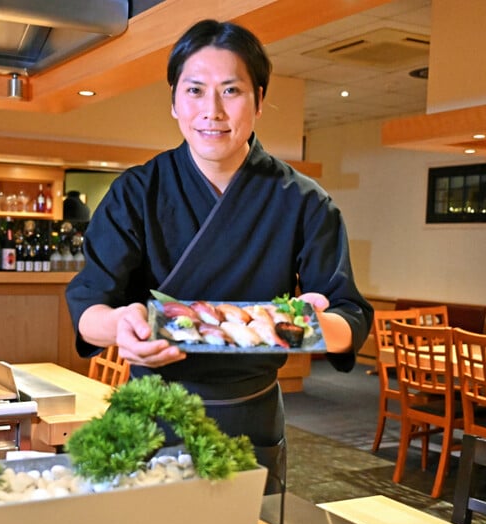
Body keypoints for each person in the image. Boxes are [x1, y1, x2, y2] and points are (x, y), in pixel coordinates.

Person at [65, 19, 372, 485]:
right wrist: (120, 328)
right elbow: (89, 306)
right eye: (194, 91)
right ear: (173, 101)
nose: (212, 111)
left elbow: (350, 318)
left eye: (231, 91)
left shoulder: (305, 202)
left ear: (260, 100)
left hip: (250, 417)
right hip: (153, 409)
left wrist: (311, 324)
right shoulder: (137, 192)